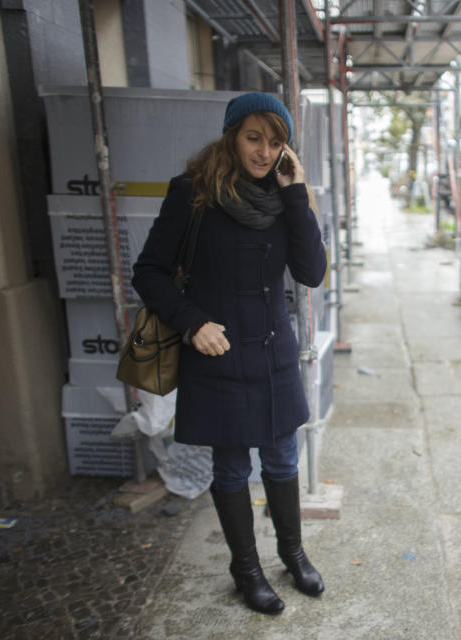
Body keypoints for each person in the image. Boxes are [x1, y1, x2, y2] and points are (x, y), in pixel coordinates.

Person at [132, 93, 327, 615]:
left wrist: (297, 193)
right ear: (231, 135)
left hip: (273, 352)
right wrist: (192, 323)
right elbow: (148, 271)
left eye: (275, 141)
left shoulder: (285, 197)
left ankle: (293, 553)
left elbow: (311, 273)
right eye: (253, 138)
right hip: (217, 353)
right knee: (234, 467)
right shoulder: (193, 194)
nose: (264, 152)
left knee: (284, 456)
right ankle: (246, 570)